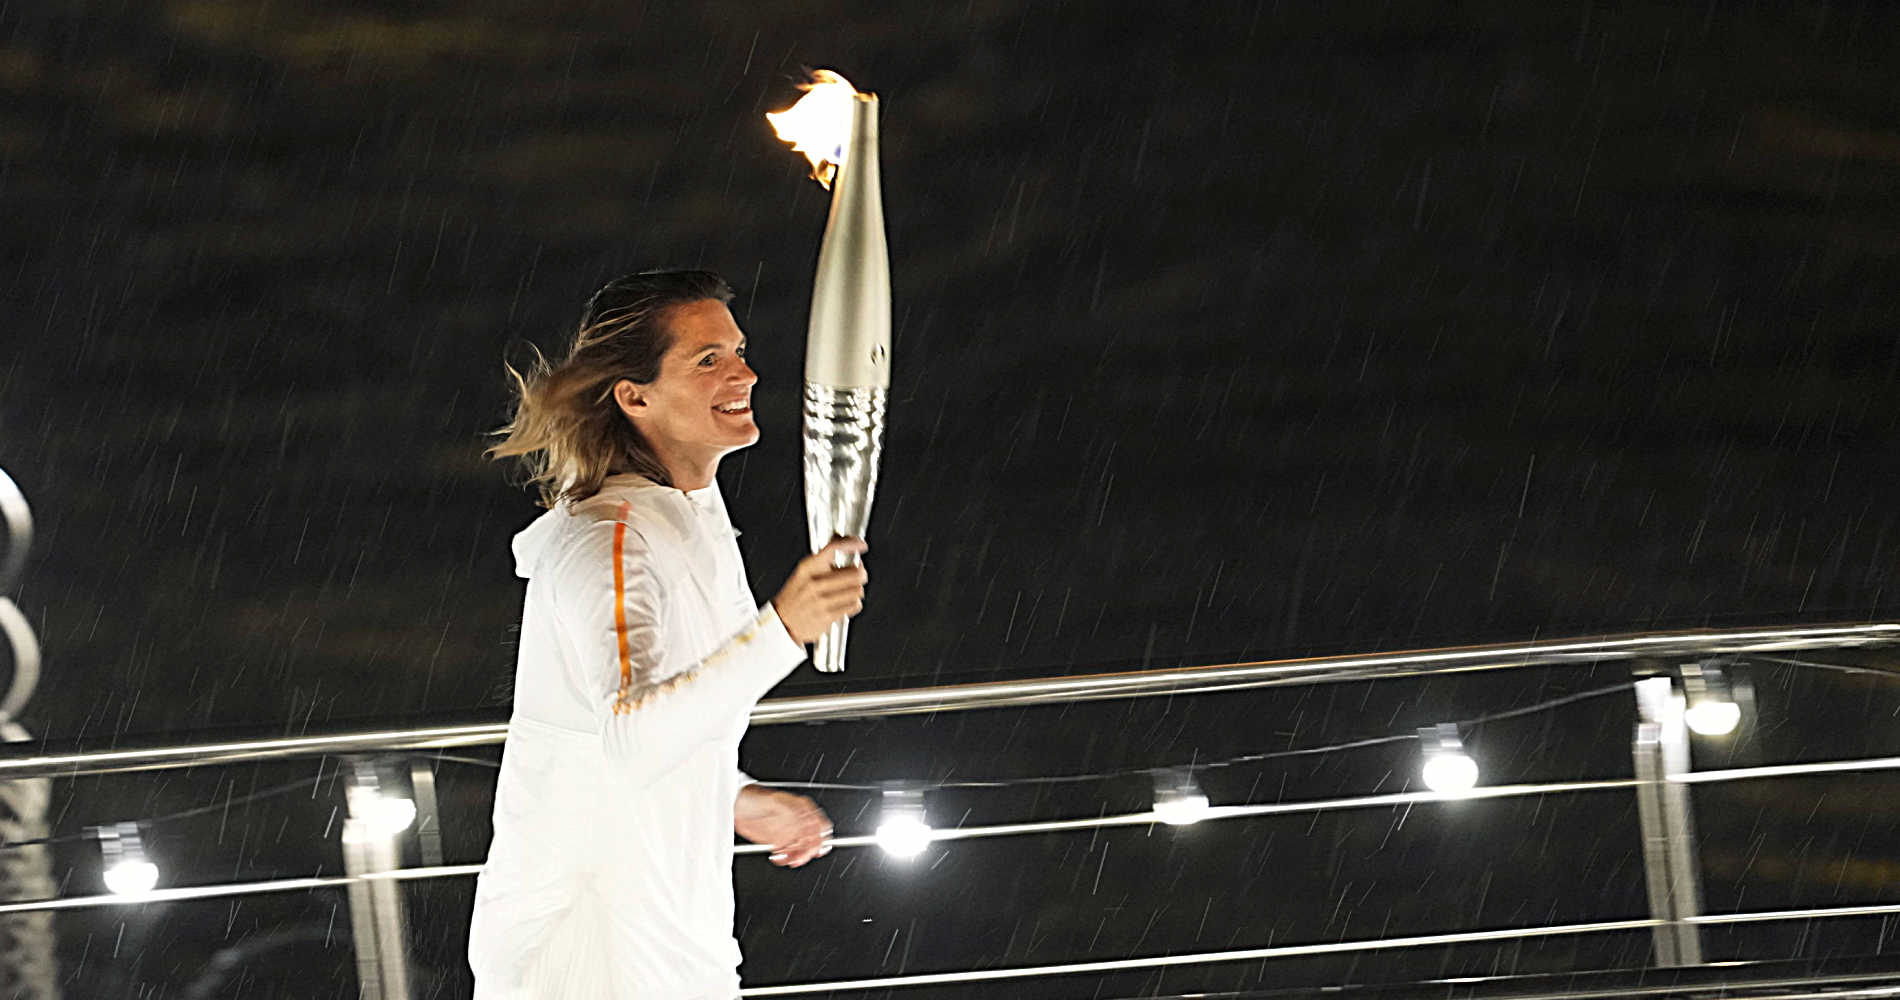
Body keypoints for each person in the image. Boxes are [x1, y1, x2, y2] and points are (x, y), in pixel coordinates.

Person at [471, 269, 867, 999]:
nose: (744, 372)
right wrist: (783, 631)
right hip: (589, 950)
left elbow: (648, 737)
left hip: (678, 927)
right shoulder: (608, 540)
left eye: (739, 350)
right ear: (635, 395)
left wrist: (734, 796)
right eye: (707, 359)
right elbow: (631, 732)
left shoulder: (693, 514)